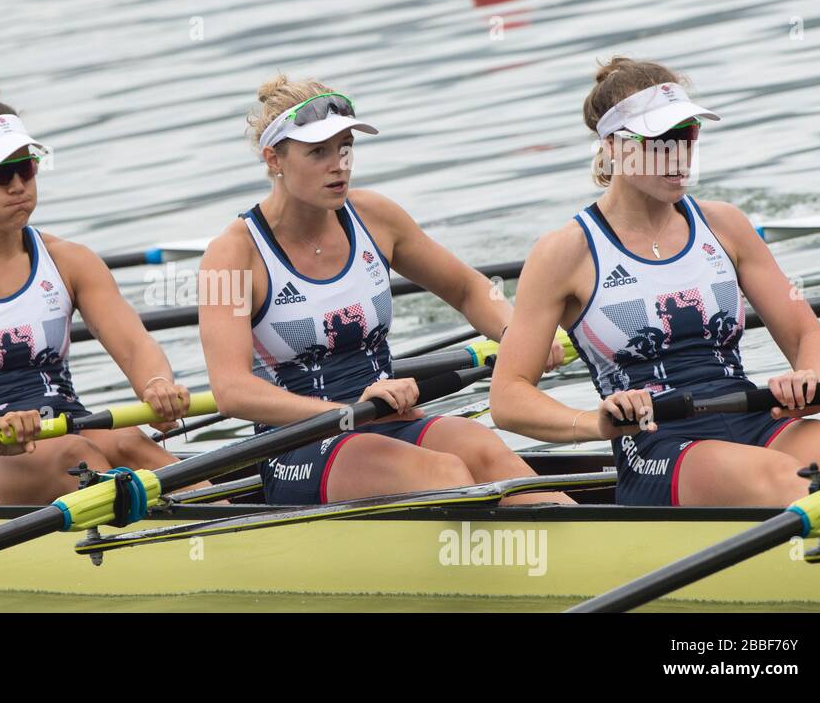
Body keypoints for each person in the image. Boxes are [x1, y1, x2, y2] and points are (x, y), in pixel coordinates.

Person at [489, 57, 820, 506]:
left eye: (687, 135)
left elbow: (805, 333)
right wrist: (593, 422)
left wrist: (810, 381)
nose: (679, 155)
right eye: (659, 141)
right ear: (614, 147)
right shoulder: (564, 252)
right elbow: (507, 397)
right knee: (792, 482)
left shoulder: (726, 226)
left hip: (753, 415)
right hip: (657, 444)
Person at [199, 74, 573, 506]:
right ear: (274, 159)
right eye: (318, 152)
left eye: (344, 147)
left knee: (482, 446)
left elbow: (469, 288)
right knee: (445, 472)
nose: (338, 164)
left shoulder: (375, 216)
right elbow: (230, 390)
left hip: (387, 417)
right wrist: (346, 410)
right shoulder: (231, 255)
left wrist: (517, 335)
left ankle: (584, 551)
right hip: (298, 445)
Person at [0, 83, 199, 505]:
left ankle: (228, 528)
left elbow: (136, 344)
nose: (17, 186)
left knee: (128, 442)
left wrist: (157, 385)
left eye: (26, 168)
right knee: (77, 455)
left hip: (68, 425)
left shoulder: (71, 260)